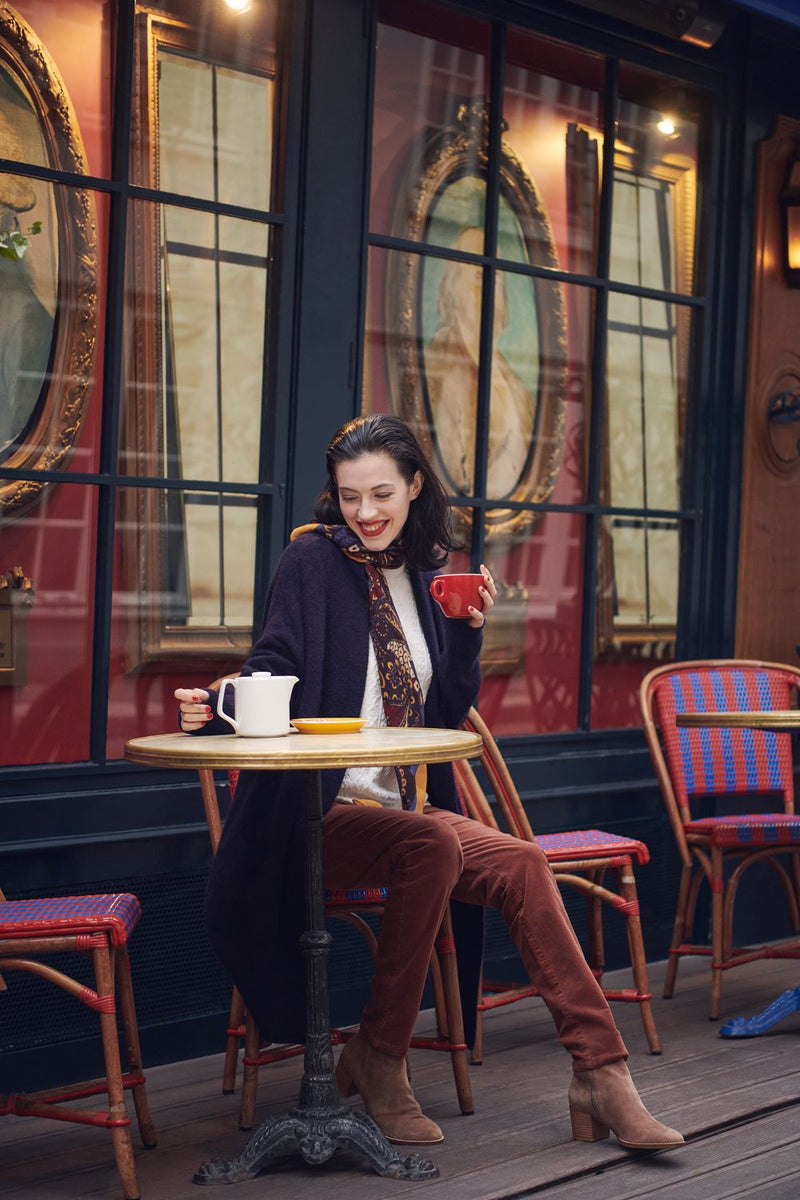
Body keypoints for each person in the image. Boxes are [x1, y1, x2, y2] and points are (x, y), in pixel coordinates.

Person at [175, 412, 683, 1153]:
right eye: (350, 497)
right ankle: (384, 1064)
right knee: (428, 848)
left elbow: (445, 715)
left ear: (415, 485)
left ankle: (601, 1072)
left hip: (403, 811)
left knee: (520, 860)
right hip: (317, 816)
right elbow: (273, 665)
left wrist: (470, 635)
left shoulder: (430, 570)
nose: (367, 513)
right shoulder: (313, 563)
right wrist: (221, 706)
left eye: (381, 493)